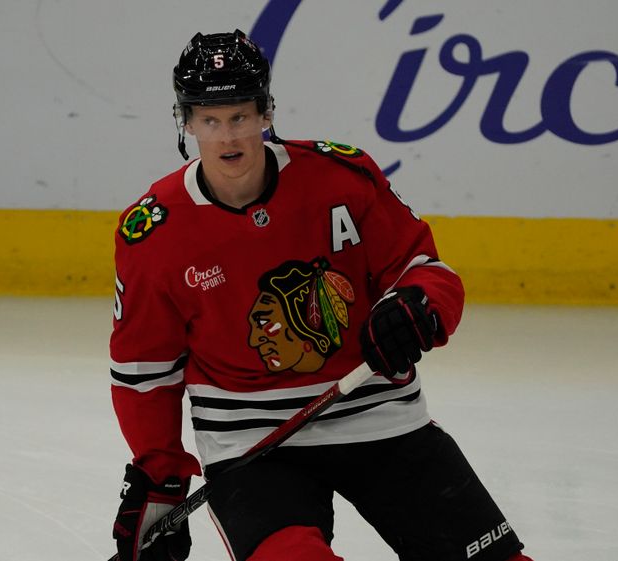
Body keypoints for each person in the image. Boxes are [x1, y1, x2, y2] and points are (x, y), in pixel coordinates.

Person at [110, 29, 534, 561]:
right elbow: (144, 370)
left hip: (378, 415)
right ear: (187, 122)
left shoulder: (341, 178)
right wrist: (160, 472)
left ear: (266, 113)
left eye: (239, 116)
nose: (226, 137)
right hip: (252, 443)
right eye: (210, 120)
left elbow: (426, 270)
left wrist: (417, 305)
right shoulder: (154, 231)